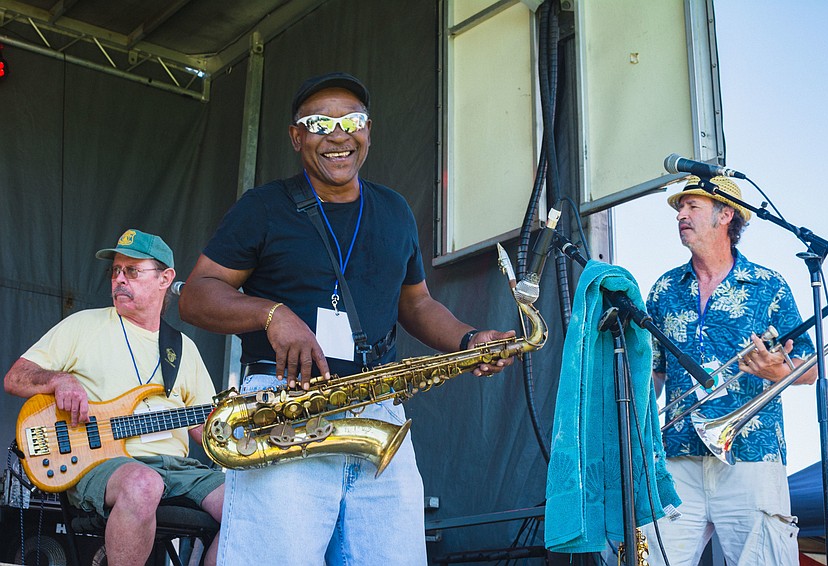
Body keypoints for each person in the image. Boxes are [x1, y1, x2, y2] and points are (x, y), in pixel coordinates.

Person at [178, 71, 515, 565]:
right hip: (284, 410)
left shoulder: (395, 211)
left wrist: (469, 340)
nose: (338, 135)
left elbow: (417, 304)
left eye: (352, 121)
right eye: (320, 123)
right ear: (297, 137)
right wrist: (271, 313)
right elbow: (196, 295)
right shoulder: (263, 207)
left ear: (368, 131)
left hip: (377, 409)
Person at [4, 229, 225, 566]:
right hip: (105, 465)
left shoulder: (184, 349)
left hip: (179, 469)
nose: (119, 279)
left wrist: (240, 422)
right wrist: (58, 379)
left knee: (247, 503)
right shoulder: (83, 326)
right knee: (143, 483)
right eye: (116, 270)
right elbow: (15, 377)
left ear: (165, 278)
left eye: (132, 271)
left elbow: (205, 429)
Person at [642, 176, 817, 565]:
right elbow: (654, 373)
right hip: (678, 454)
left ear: (725, 215)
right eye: (680, 208)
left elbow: (810, 367)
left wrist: (777, 371)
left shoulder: (768, 285)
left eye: (692, 206)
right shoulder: (664, 288)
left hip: (751, 455)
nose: (681, 215)